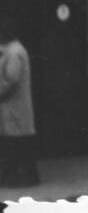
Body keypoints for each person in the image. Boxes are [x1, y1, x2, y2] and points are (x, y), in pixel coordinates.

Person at [0, 15, 39, 187]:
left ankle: (19, 179)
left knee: (16, 144)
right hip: (14, 107)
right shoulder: (11, 49)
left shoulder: (14, 52)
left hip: (14, 106)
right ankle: (23, 178)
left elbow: (11, 80)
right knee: (18, 143)